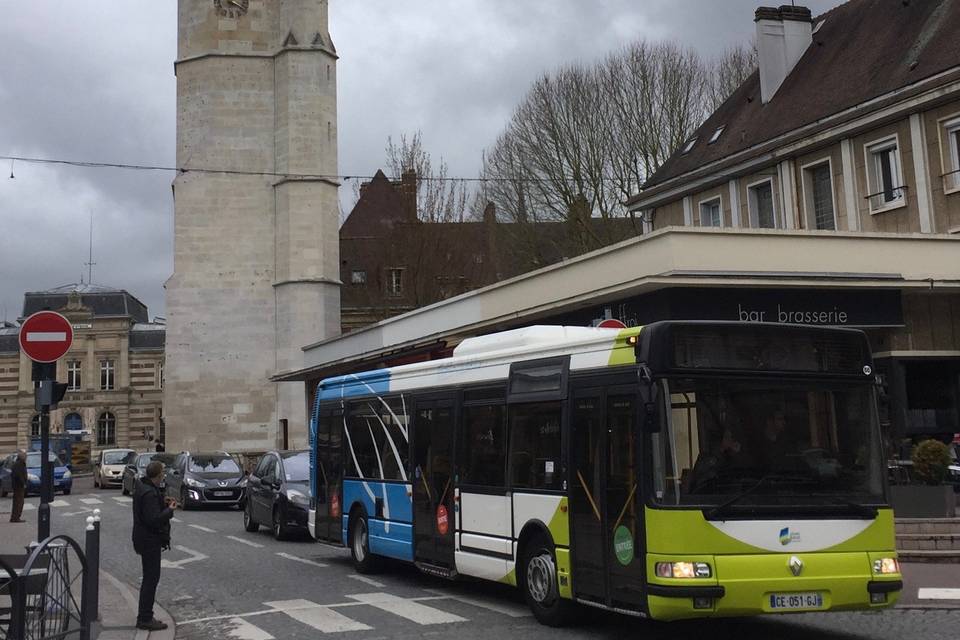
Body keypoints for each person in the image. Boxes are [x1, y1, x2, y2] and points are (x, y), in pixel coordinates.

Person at [132, 461, 177, 631]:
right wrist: (169, 510)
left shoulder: (143, 488)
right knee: (151, 579)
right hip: (149, 540)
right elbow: (153, 520)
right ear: (158, 476)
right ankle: (145, 618)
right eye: (163, 473)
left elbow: (148, 511)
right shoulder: (149, 493)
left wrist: (162, 501)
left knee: (149, 578)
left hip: (143, 538)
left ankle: (145, 615)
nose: (164, 475)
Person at [9, 450, 27, 523]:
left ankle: (15, 517)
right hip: (18, 486)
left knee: (18, 502)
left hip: (18, 486)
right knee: (19, 502)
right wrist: (23, 483)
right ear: (22, 457)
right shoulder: (19, 464)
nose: (26, 457)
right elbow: (18, 475)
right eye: (25, 456)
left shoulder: (19, 463)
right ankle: (15, 517)